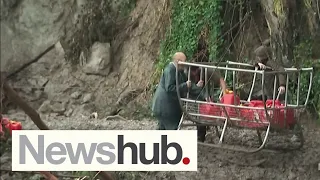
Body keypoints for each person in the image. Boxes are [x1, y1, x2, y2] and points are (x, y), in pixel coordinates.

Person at [152, 52, 203, 131]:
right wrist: (185, 85)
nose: (185, 64)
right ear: (177, 61)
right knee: (172, 129)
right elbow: (169, 88)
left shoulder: (179, 71)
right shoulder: (170, 70)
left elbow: (188, 83)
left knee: (162, 129)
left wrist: (196, 86)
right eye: (183, 61)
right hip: (166, 107)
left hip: (165, 106)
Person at [189, 64, 228, 142]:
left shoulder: (208, 70)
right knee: (198, 115)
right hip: (192, 95)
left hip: (205, 95)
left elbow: (221, 80)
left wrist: (225, 95)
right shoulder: (185, 71)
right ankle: (200, 136)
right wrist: (196, 86)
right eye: (193, 73)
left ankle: (201, 137)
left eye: (196, 73)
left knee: (203, 114)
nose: (195, 75)